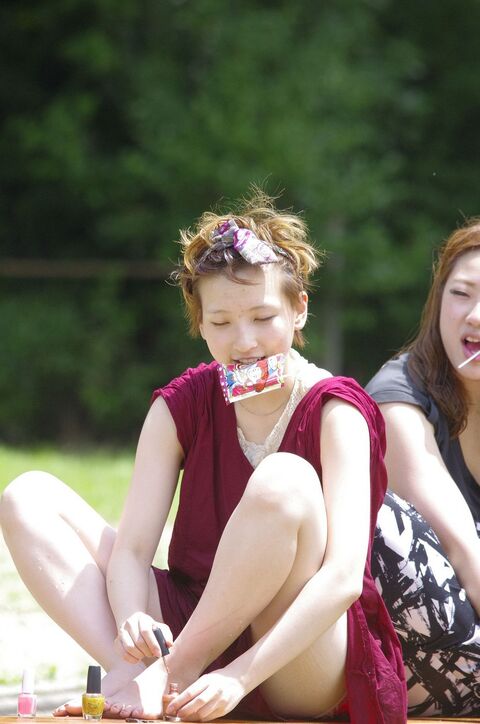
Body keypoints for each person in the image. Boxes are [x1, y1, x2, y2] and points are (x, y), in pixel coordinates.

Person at [0, 191, 406, 723]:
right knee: (27, 496)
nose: (244, 341)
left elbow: (343, 579)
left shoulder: (336, 411)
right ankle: (138, 677)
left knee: (284, 478)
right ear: (199, 321)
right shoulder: (181, 405)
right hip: (191, 620)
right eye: (221, 323)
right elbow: (132, 549)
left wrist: (237, 677)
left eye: (263, 317)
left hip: (293, 652)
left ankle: (167, 678)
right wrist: (131, 617)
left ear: (299, 308)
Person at [367, 218, 480, 718]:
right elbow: (463, 553)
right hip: (437, 639)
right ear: (438, 301)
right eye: (461, 294)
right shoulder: (398, 396)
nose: (475, 316)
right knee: (383, 519)